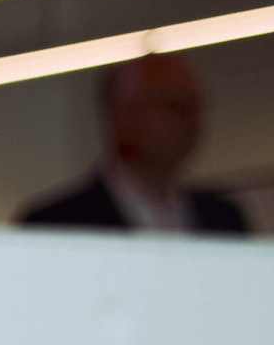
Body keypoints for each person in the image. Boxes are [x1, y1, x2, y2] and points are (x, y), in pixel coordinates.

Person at [18, 51, 248, 232]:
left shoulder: (224, 219)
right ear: (120, 116)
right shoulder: (57, 223)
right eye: (172, 105)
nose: (189, 120)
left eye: (194, 106)